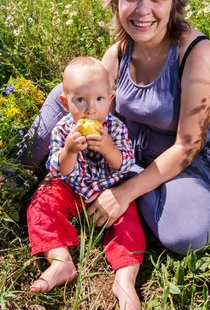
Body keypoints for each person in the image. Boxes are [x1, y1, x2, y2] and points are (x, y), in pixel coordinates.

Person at [16, 0, 210, 305]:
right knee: (64, 96)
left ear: (174, 2)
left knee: (187, 236)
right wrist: (76, 144)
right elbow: (92, 106)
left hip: (179, 163)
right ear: (117, 0)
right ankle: (16, 172)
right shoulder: (118, 52)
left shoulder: (196, 53)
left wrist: (123, 192)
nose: (143, 11)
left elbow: (188, 146)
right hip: (119, 155)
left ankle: (125, 202)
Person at [26, 57, 145, 310]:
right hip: (72, 188)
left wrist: (109, 148)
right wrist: (69, 151)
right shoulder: (62, 129)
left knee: (129, 222)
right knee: (41, 204)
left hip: (108, 190)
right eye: (80, 100)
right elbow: (59, 168)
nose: (91, 109)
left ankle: (125, 280)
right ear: (65, 102)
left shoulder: (115, 129)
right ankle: (60, 261)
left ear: (110, 100)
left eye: (99, 100)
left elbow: (122, 164)